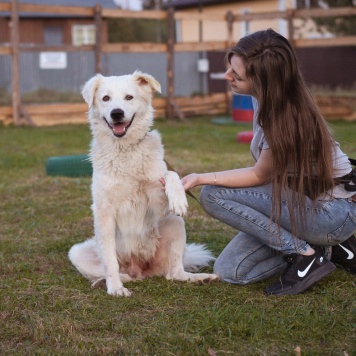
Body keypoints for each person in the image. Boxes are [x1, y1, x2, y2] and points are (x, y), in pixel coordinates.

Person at [180, 28, 356, 296]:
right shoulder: (266, 98)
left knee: (212, 195)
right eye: (230, 67)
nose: (227, 76)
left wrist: (202, 176)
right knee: (231, 271)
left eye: (236, 76)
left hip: (331, 213)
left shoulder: (286, 118)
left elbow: (259, 176)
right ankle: (326, 249)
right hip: (303, 202)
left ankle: (306, 254)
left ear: (263, 82)